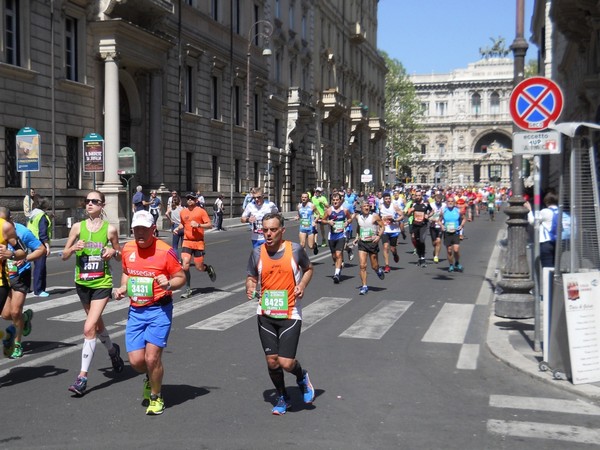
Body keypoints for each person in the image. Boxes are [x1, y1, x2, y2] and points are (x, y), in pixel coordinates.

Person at [114, 210, 186, 415]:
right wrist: (122, 288)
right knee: (137, 362)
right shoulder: (128, 249)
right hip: (136, 310)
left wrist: (169, 283)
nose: (140, 234)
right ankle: (150, 377)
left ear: (153, 229)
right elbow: (127, 273)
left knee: (152, 358)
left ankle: (156, 396)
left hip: (159, 310)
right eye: (137, 229)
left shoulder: (165, 251)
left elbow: (180, 277)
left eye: (144, 229)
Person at [245, 213, 315, 415]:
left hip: (290, 312)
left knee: (286, 362)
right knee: (271, 361)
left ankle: (301, 376)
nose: (268, 233)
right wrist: (250, 287)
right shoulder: (257, 253)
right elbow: (251, 276)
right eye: (265, 229)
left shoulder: (295, 250)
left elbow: (309, 269)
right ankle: (283, 397)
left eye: (273, 229)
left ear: (282, 231)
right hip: (265, 313)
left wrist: (301, 284)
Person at [61, 190, 125, 396]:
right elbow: (63, 255)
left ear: (102, 205)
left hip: (102, 283)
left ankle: (82, 378)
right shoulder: (77, 227)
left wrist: (113, 252)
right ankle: (113, 352)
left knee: (89, 328)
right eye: (87, 201)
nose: (89, 204)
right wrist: (72, 249)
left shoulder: (110, 230)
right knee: (97, 325)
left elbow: (119, 255)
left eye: (94, 201)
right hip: (82, 283)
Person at [0, 207, 45, 358]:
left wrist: (24, 259)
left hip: (20, 275)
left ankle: (17, 344)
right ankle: (24, 319)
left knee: (14, 311)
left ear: (10, 220)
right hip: (5, 278)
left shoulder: (23, 232)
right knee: (6, 314)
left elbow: (40, 249)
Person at [177, 192, 216, 299]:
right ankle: (188, 289)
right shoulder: (183, 212)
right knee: (185, 265)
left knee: (199, 267)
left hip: (198, 242)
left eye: (192, 198)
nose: (189, 200)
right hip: (187, 241)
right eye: (188, 198)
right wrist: (178, 228)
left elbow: (209, 225)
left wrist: (198, 225)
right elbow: (183, 223)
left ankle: (207, 269)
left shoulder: (201, 211)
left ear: (196, 200)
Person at [353, 201, 385, 295]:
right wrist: (357, 237)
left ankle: (378, 270)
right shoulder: (358, 217)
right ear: (361, 208)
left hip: (372, 243)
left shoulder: (374, 216)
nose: (367, 208)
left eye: (368, 206)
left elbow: (382, 226)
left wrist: (379, 236)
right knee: (362, 265)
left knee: (374, 266)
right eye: (365, 206)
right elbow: (359, 228)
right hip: (362, 243)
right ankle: (364, 286)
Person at [321, 192, 353, 284]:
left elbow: (350, 218)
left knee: (339, 254)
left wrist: (347, 222)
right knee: (334, 256)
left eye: (337, 200)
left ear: (340, 201)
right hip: (332, 236)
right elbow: (322, 220)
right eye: (333, 200)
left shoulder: (345, 210)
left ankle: (337, 274)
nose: (335, 202)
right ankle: (338, 267)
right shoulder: (329, 211)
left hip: (341, 235)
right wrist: (328, 222)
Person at [527, 191, 559, 269]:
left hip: (546, 242)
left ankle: (548, 281)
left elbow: (532, 221)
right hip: (558, 242)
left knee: (547, 268)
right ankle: (554, 281)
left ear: (547, 202)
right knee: (555, 267)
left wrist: (529, 210)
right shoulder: (560, 211)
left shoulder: (545, 211)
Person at [27, 197, 52, 297]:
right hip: (40, 243)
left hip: (33, 242)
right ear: (45, 205)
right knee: (40, 267)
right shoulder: (42, 216)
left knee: (38, 266)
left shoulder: (34, 214)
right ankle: (39, 290)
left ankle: (38, 288)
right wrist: (47, 246)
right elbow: (42, 232)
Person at [378, 191, 404, 272]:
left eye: (389, 198)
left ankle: (395, 254)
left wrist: (395, 220)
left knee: (393, 249)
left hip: (394, 230)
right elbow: (378, 217)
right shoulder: (380, 207)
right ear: (383, 200)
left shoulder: (394, 206)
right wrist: (378, 225)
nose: (388, 200)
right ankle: (387, 265)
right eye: (386, 199)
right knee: (385, 247)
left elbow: (402, 215)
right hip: (385, 230)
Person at [406, 190, 432, 267]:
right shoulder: (413, 204)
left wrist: (428, 215)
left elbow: (432, 211)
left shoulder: (426, 204)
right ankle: (420, 257)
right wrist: (410, 212)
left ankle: (423, 258)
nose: (417, 197)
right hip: (415, 225)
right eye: (416, 195)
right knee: (416, 242)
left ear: (421, 196)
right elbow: (408, 214)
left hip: (423, 225)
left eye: (419, 195)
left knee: (421, 240)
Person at [440, 197, 466, 272]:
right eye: (449, 201)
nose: (450, 202)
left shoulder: (458, 211)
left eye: (452, 201)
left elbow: (464, 219)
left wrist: (461, 226)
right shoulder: (444, 211)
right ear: (446, 202)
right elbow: (439, 220)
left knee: (456, 249)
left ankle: (457, 262)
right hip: (447, 232)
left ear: (454, 203)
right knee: (449, 250)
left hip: (455, 232)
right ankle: (451, 265)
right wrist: (442, 226)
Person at [429, 193, 445, 264]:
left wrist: (442, 217)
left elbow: (446, 215)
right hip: (433, 226)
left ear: (441, 200)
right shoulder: (431, 205)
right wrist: (431, 219)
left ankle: (436, 256)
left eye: (439, 201)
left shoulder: (444, 205)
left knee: (438, 241)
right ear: (435, 200)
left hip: (440, 226)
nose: (438, 202)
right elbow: (428, 215)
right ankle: (435, 251)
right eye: (437, 201)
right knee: (434, 243)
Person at [165, 195, 183, 259]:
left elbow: (166, 213)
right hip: (182, 226)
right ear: (179, 201)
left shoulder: (172, 208)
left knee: (175, 246)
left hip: (175, 226)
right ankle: (183, 259)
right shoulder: (182, 209)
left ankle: (177, 260)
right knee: (183, 245)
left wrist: (170, 220)